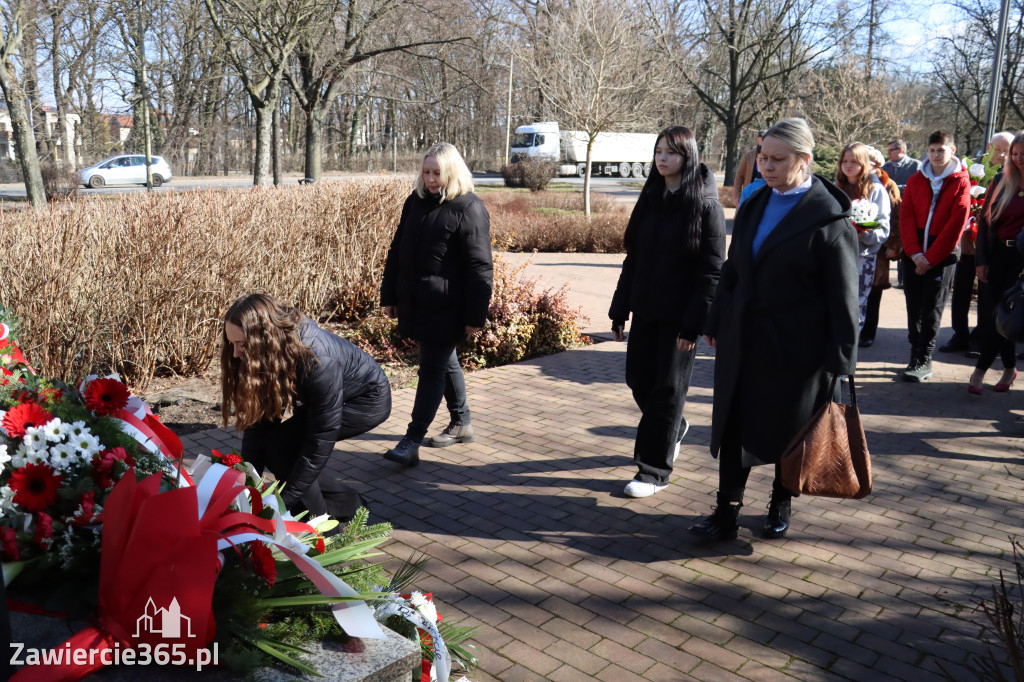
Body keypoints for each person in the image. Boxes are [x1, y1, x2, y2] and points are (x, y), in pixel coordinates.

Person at [690, 118, 859, 541]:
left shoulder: (829, 221)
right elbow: (733, 269)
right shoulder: (754, 202)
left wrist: (842, 361)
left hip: (797, 350)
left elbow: (844, 298)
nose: (765, 166)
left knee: (789, 430)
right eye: (762, 157)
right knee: (733, 426)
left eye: (777, 159)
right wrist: (714, 319)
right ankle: (725, 512)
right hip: (743, 336)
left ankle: (780, 501)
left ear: (804, 159)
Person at [609, 126, 726, 498]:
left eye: (671, 152)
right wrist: (620, 308)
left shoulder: (706, 206)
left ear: (687, 156)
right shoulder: (651, 197)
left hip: (680, 318)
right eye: (658, 151)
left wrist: (693, 326)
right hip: (646, 309)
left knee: (666, 391)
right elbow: (634, 258)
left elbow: (711, 271)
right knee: (637, 380)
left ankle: (653, 472)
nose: (662, 158)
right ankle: (673, 428)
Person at [222, 293, 392, 520]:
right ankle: (349, 504)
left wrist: (290, 497)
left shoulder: (317, 361)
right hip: (327, 397)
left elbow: (318, 442)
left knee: (283, 448)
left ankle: (320, 527)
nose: (235, 353)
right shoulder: (270, 352)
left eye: (242, 345)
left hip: (365, 400)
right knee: (277, 445)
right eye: (232, 344)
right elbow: (260, 425)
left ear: (264, 339)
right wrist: (246, 484)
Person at [380, 142, 493, 467]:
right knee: (446, 362)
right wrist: (390, 296)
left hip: (449, 307)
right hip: (420, 303)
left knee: (430, 370)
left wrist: (475, 315)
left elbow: (479, 268)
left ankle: (412, 440)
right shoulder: (414, 203)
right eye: (426, 172)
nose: (430, 179)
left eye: (437, 173)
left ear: (452, 172)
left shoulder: (468, 208)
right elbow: (396, 251)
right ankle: (461, 423)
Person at [899, 129, 972, 382]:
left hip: (942, 253)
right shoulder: (916, 180)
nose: (935, 155)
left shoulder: (961, 182)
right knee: (913, 305)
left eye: (940, 150)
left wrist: (930, 258)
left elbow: (956, 223)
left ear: (952, 150)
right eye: (931, 150)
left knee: (932, 307)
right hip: (915, 249)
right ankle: (913, 352)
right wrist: (915, 253)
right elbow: (906, 217)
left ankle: (924, 358)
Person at [940, 131, 1014, 356]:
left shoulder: (1012, 174)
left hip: (991, 244)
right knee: (960, 289)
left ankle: (981, 338)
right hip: (966, 242)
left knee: (986, 293)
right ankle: (959, 334)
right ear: (989, 146)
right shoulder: (971, 167)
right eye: (998, 148)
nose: (1001, 154)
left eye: (1006, 151)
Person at [969, 132, 1024, 394]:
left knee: (1008, 315)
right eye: (1015, 154)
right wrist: (981, 261)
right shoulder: (1002, 180)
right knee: (997, 315)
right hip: (998, 257)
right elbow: (985, 224)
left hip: (1022, 262)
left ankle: (979, 371)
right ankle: (1009, 369)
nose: (1019, 159)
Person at [836, 142, 891, 329]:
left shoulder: (876, 190)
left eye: (854, 161)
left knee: (854, 309)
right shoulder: (835, 188)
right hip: (836, 256)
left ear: (864, 164)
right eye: (844, 160)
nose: (848, 165)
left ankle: (849, 351)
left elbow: (883, 230)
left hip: (861, 258)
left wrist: (862, 234)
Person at [860, 147, 902, 348]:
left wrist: (894, 244)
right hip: (860, 247)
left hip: (880, 248)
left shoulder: (887, 185)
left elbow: (895, 214)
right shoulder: (854, 183)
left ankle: (869, 331)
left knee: (875, 290)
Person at [883, 138, 922, 290]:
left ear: (900, 150)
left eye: (890, 150)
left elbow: (918, 186)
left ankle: (904, 279)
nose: (888, 153)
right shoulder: (885, 167)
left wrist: (895, 188)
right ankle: (895, 280)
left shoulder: (915, 166)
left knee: (907, 244)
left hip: (910, 212)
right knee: (893, 244)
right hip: (891, 213)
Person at [734, 129, 767, 200]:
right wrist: (737, 196)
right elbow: (739, 176)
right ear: (758, 139)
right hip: (749, 194)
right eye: (763, 138)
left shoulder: (771, 155)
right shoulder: (748, 155)